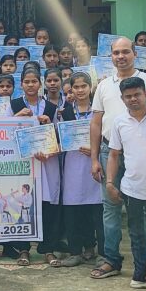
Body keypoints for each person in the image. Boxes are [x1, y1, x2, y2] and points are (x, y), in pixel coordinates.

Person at [88, 37, 146, 280]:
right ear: (110, 56)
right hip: (109, 152)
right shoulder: (103, 86)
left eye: (125, 52)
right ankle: (111, 259)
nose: (121, 57)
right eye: (116, 53)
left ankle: (145, 262)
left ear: (135, 54)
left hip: (143, 154)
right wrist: (94, 158)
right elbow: (96, 123)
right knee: (110, 207)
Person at [105, 77, 146, 288]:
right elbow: (114, 154)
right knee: (136, 234)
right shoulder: (119, 122)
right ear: (122, 99)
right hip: (131, 189)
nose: (133, 99)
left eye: (137, 94)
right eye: (128, 96)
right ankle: (139, 274)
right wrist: (110, 183)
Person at [53, 72, 103, 267]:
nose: (80, 90)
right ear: (70, 90)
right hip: (72, 165)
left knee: (96, 210)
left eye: (84, 86)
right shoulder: (64, 112)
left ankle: (99, 251)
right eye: (76, 87)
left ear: (91, 88)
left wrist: (95, 150)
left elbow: (107, 135)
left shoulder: (99, 111)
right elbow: (57, 138)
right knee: (73, 209)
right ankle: (75, 252)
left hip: (94, 163)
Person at [11, 68, 59, 265]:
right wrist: (16, 117)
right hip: (24, 162)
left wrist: (48, 125)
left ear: (40, 83)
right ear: (21, 84)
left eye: (34, 81)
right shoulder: (14, 105)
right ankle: (23, 249)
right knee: (24, 206)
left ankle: (48, 249)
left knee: (47, 206)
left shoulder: (51, 107)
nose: (30, 85)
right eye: (27, 82)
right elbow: (3, 132)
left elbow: (60, 137)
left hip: (46, 162)